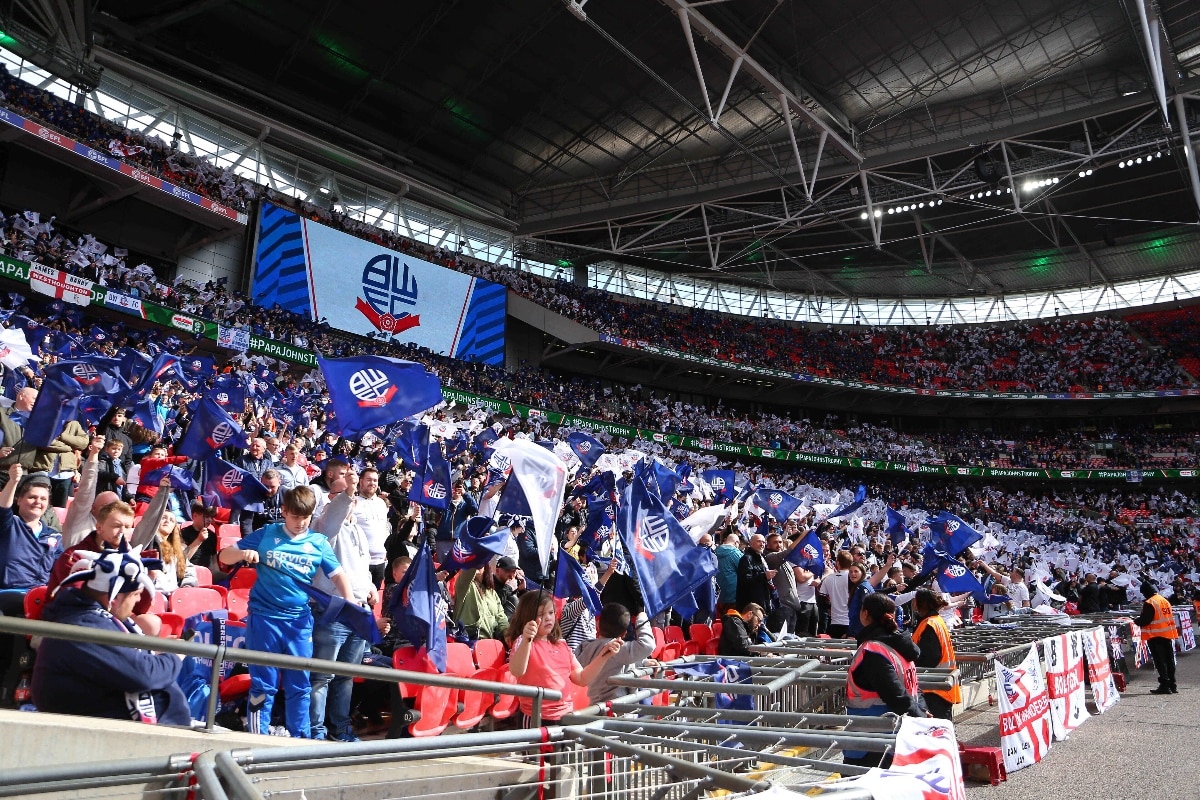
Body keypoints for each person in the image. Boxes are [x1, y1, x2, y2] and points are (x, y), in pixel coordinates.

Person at [217, 485, 355, 738]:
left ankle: (299, 741)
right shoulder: (267, 533)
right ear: (284, 511)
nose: (300, 523)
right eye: (295, 516)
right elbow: (224, 556)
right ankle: (258, 739)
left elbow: (338, 575)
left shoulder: (318, 542)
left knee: (299, 685)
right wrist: (242, 553)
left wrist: (350, 602)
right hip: (264, 620)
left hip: (298, 623)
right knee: (263, 684)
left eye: (306, 517)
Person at [32, 544, 191, 725]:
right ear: (113, 598)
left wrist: (157, 655)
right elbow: (144, 674)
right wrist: (173, 657)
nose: (139, 599)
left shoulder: (90, 618)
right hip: (99, 731)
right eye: (136, 594)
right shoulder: (85, 627)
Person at [844, 593, 927, 768]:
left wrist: (921, 719)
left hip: (870, 744)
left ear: (865, 614)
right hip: (900, 740)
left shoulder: (872, 650)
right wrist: (922, 713)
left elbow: (894, 693)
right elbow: (913, 688)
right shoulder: (900, 647)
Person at [506, 591, 613, 724]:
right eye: (540, 614)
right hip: (536, 717)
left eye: (551, 613)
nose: (548, 618)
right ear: (527, 617)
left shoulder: (561, 644)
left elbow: (582, 678)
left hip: (566, 716)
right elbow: (516, 671)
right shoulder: (523, 641)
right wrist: (527, 639)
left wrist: (604, 655)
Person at [576, 602, 656, 704]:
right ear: (624, 633)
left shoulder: (583, 648)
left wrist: (642, 663)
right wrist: (642, 617)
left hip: (591, 709)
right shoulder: (617, 650)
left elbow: (610, 664)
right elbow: (648, 645)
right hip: (617, 709)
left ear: (598, 624)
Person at [911, 589, 961, 720]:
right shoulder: (935, 620)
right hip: (940, 684)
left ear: (921, 603)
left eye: (915, 600)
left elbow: (930, 657)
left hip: (933, 687)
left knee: (937, 727)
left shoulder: (929, 624)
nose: (913, 603)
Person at [1134, 580, 1178, 695]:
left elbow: (1146, 620)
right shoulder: (1163, 600)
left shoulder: (1150, 602)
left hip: (1155, 635)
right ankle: (1172, 684)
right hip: (1167, 634)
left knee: (1160, 661)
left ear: (1146, 592)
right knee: (1169, 660)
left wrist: (1135, 621)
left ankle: (1165, 685)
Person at [453, 561, 509, 641]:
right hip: (468, 641)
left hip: (490, 642)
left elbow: (501, 617)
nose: (477, 565)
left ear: (486, 567)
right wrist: (476, 558)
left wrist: (507, 634)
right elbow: (467, 573)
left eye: (481, 562)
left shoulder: (491, 592)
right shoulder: (464, 585)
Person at [819, 550, 854, 638]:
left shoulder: (828, 579)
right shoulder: (854, 579)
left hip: (835, 622)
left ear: (837, 563)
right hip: (850, 622)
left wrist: (829, 608)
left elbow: (821, 600)